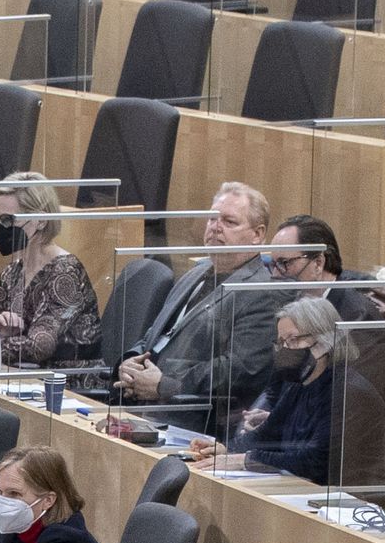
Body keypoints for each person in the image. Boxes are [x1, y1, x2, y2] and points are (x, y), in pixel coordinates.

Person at [97, 182, 282, 432]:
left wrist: (164, 383)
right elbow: (156, 334)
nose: (216, 228)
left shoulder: (261, 291)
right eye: (212, 219)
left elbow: (239, 370)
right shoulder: (195, 272)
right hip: (142, 405)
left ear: (258, 234)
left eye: (229, 222)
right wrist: (130, 363)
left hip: (192, 419)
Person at [225, 295, 385, 488]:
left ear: (324, 340)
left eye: (293, 340)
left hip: (349, 495)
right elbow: (265, 435)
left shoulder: (348, 391)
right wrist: (225, 451)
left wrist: (246, 459)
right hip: (303, 487)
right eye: (281, 342)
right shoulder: (299, 383)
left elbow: (315, 460)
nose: (285, 349)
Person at [0, 175, 100, 373]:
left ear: (41, 220)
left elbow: (39, 346)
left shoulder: (66, 274)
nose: (1, 227)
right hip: (21, 376)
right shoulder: (15, 270)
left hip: (63, 383)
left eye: (8, 220)